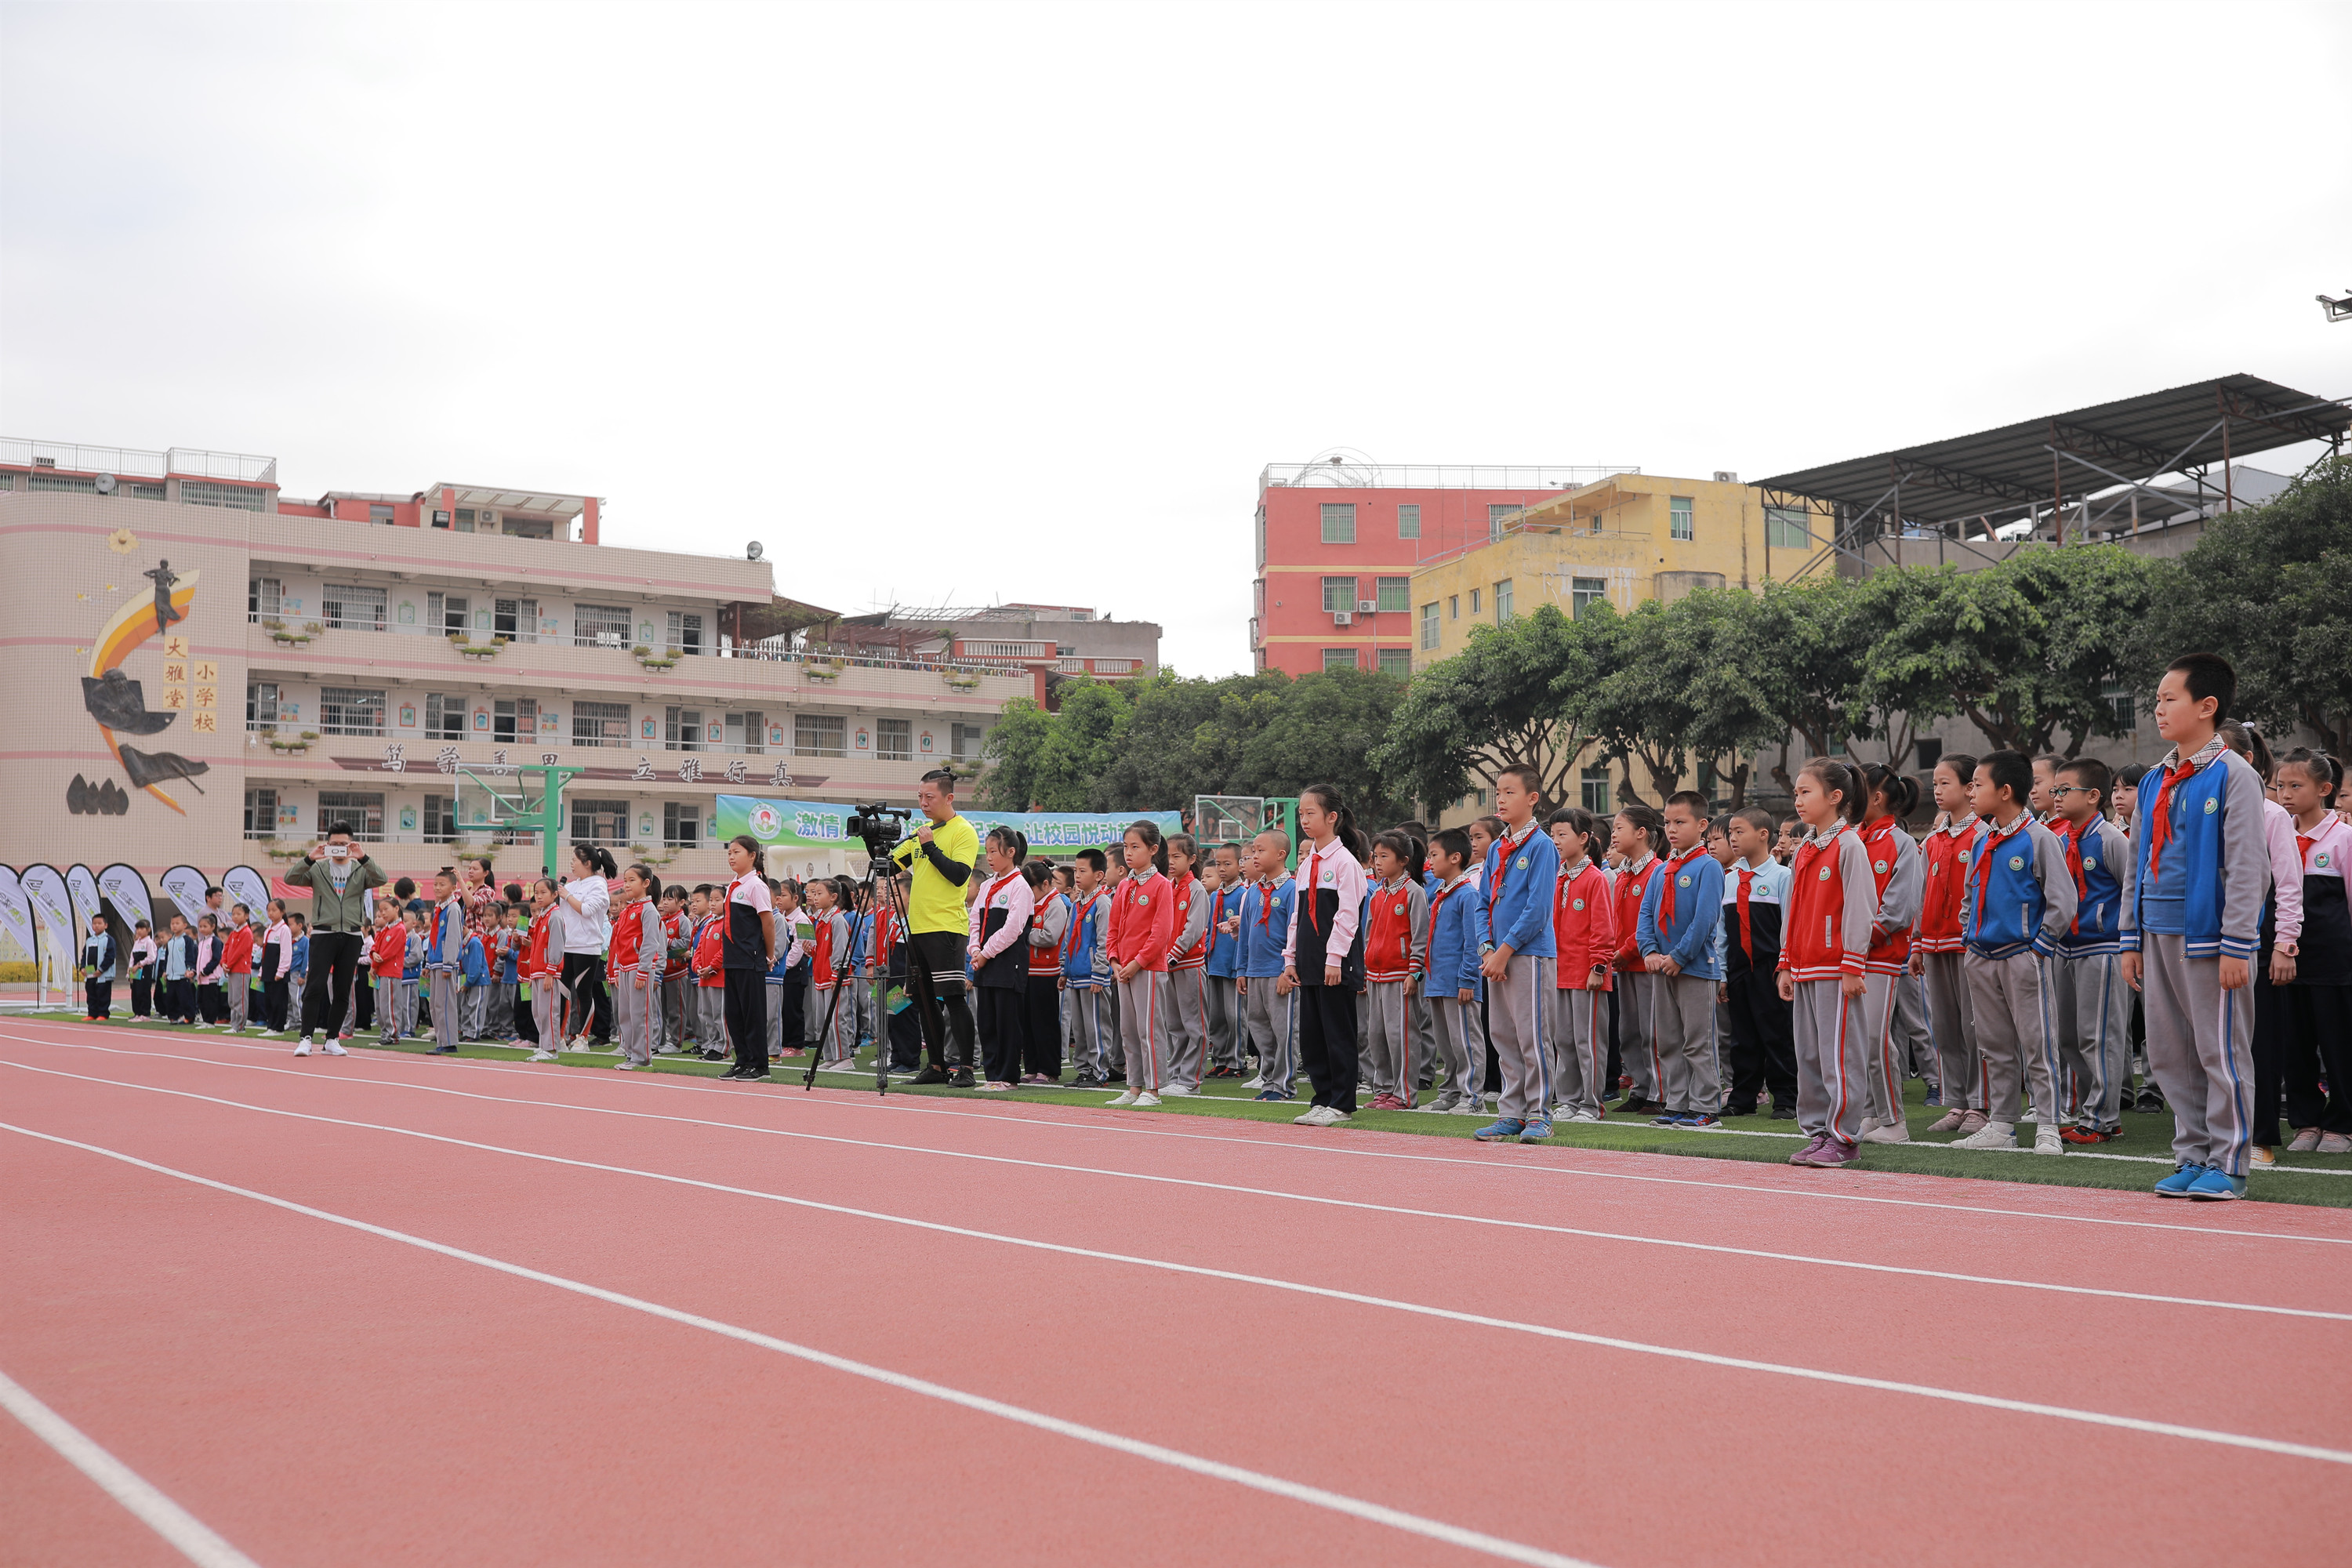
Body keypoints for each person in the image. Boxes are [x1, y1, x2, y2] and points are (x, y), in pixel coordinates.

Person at [2124, 655, 2269, 1200]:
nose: (2158, 709)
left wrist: (2239, 942)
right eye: (2157, 700)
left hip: (2210, 938)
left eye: (2169, 699)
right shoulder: (2156, 780)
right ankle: (2191, 1155)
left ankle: (2229, 1162)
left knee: (2220, 1050)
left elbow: (2249, 866)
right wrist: (2130, 939)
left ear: (2206, 707)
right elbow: (2136, 864)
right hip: (2156, 930)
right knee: (2167, 1052)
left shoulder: (2233, 775)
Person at [1954, 752, 2076, 1155]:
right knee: (1994, 1046)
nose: (1971, 792)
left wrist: (2038, 949)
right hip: (1981, 957)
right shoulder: (1981, 838)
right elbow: (1972, 894)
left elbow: (2063, 901)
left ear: (2005, 791)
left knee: (2038, 1041)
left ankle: (2048, 1124)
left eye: (1978, 784)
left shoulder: (2040, 838)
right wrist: (1969, 937)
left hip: (2022, 956)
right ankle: (2002, 1124)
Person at [1777, 760, 1875, 1168]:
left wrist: (1853, 965)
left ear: (1835, 797)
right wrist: (1785, 962)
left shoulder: (1849, 845)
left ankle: (1845, 1136)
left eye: (1806, 792)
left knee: (1840, 1055)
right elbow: (1794, 911)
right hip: (1804, 969)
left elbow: (1860, 908)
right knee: (1811, 1056)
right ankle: (1818, 1131)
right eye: (1797, 792)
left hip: (1836, 969)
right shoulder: (1806, 850)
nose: (1798, 800)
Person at [2049, 757, 2135, 1145]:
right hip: (2064, 949)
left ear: (2093, 796)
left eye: (2065, 790)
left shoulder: (2110, 839)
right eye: (2055, 790)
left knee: (2098, 1035)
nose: (2056, 796)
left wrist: (2130, 943)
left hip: (2102, 948)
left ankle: (2102, 1118)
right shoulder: (2060, 838)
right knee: (2067, 1036)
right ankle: (2092, 1112)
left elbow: (2132, 892)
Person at [1473, 765, 1559, 1142]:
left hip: (1529, 955)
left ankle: (1540, 1113)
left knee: (1533, 1037)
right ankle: (1512, 1112)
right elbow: (1482, 905)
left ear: (1532, 798)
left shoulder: (1541, 846)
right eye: (1498, 792)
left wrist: (1504, 951)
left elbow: (1538, 910)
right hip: (1497, 957)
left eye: (1510, 792)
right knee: (1503, 1036)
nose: (1501, 799)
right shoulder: (1496, 847)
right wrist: (1487, 948)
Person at [2273, 748, 2350, 1154]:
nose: (2285, 793)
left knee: (2338, 1045)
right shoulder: (2276, 832)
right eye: (2281, 785)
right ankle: (2306, 1122)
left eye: (2295, 786)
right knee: (2295, 1045)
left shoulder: (2343, 839)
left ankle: (2342, 1123)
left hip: (2334, 962)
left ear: (2324, 789)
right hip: (2286, 960)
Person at [1638, 789, 1729, 1128]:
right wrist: (1648, 951)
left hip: (1694, 967)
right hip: (1662, 967)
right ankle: (1677, 1103)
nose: (1671, 829)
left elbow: (1705, 920)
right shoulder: (1662, 870)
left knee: (1698, 1041)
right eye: (1667, 822)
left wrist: (1678, 956)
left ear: (1702, 824)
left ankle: (1706, 1107)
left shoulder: (1708, 867)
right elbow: (1646, 915)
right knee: (1670, 1041)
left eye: (1680, 822)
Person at [890, 768, 983, 1087]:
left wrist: (929, 847)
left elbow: (959, 875)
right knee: (923, 1000)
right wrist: (872, 837)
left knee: (953, 997)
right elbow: (888, 864)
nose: (923, 803)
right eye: (920, 797)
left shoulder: (963, 831)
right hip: (915, 929)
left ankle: (967, 1069)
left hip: (946, 927)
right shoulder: (922, 832)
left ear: (949, 797)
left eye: (929, 797)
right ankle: (937, 1066)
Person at [1853, 767, 1925, 1145]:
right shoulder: (1854, 839)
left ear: (1876, 798)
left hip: (1879, 956)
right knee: (1859, 1040)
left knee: (1876, 1038)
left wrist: (1856, 941)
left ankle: (1895, 1121)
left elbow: (1899, 910)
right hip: (1853, 957)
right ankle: (1870, 1113)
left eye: (1857, 791)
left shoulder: (1900, 843)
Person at [1915, 755, 1983, 1135]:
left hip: (1969, 946)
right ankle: (1957, 1102)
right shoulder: (1934, 841)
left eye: (1945, 783)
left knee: (1975, 1028)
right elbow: (1922, 896)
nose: (1937, 791)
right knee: (1945, 1027)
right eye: (1935, 784)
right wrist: (1917, 945)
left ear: (1969, 788)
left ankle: (1980, 1105)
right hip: (1935, 946)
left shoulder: (1981, 835)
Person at [1718, 806, 1796, 1119]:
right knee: (1742, 1037)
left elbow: (1789, 926)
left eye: (1739, 832)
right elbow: (1721, 931)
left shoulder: (1782, 876)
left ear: (1763, 835)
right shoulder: (1730, 880)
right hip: (1739, 970)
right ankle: (1743, 1097)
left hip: (1770, 969)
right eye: (1730, 833)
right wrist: (1723, 973)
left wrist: (1784, 968)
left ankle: (1787, 1098)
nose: (1732, 838)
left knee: (1777, 1033)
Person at [281, 823, 386, 1051]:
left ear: (351, 844)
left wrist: (363, 857)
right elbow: (289, 878)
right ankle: (305, 1039)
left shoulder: (360, 869)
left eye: (344, 844)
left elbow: (381, 879)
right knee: (315, 987)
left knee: (342, 989)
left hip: (351, 934)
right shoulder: (318, 869)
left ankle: (332, 1039)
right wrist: (310, 858)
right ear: (328, 844)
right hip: (322, 933)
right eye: (335, 844)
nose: (339, 848)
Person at [1544, 808, 1613, 1123]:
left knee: (1589, 1042)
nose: (1556, 841)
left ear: (1584, 839)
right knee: (1564, 1041)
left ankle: (1591, 1103)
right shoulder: (1555, 877)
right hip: (1558, 972)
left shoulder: (1595, 879)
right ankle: (1569, 1100)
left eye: (1563, 835)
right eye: (1553, 834)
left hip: (1587, 975)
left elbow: (1603, 928)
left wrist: (1598, 967)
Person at [1108, 821, 1177, 1107]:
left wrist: (1137, 962)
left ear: (1153, 850)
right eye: (1126, 847)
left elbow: (1161, 933)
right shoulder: (1125, 885)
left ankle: (1154, 1089)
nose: (1129, 853)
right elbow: (1113, 929)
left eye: (1135, 847)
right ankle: (1134, 1086)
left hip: (1147, 968)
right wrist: (1114, 961)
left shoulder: (1161, 885)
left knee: (1150, 1029)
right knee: (1128, 1029)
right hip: (1123, 969)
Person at [1361, 829, 1430, 1112]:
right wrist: (1365, 968)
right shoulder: (1378, 893)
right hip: (1375, 975)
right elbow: (1368, 933)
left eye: (1384, 856)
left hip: (1400, 976)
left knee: (1400, 1035)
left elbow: (1420, 936)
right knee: (1376, 1035)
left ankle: (1405, 1093)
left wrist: (1413, 972)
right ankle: (1384, 1089)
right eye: (1375, 856)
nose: (1377, 862)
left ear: (1403, 861)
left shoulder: (1414, 892)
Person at [1609, 804, 1667, 1116]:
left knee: (1652, 1031)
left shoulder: (1656, 870)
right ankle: (1639, 1089)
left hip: (1645, 962)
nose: (1614, 834)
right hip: (1624, 964)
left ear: (1641, 833)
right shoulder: (1623, 875)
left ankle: (1659, 1092)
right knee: (1629, 1031)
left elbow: (1652, 922)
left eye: (1619, 828)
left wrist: (1627, 950)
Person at [968, 826, 1036, 1091]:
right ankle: (992, 1075)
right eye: (987, 852)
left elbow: (1013, 928)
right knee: (987, 1022)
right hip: (984, 963)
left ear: (1011, 852)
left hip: (1008, 964)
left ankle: (1008, 1076)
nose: (990, 857)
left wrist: (985, 953)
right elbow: (975, 920)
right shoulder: (986, 886)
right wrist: (975, 949)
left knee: (1007, 1022)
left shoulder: (1020, 887)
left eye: (994, 851)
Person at [717, 835, 779, 1081]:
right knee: (734, 1014)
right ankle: (742, 1060)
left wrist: (769, 955)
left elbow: (768, 923)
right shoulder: (734, 885)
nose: (731, 857)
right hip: (732, 959)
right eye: (729, 852)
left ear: (752, 856)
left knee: (753, 1014)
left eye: (736, 852)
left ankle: (759, 1064)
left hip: (750, 958)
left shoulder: (756, 886)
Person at [1157, 833, 1211, 1097]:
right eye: (1168, 855)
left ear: (1191, 859)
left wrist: (1172, 953)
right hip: (1169, 964)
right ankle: (1177, 1074)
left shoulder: (1196, 889)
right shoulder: (1168, 886)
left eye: (1177, 856)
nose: (1171, 861)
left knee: (1194, 1025)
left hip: (1189, 963)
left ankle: (1191, 1080)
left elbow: (1194, 928)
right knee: (1175, 1025)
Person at [1060, 849, 1117, 1089]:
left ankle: (1100, 1071)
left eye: (1083, 871)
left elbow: (1105, 940)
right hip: (1075, 975)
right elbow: (1068, 938)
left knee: (1096, 1026)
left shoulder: (1102, 902)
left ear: (1099, 875)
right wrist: (1064, 969)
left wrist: (1100, 971)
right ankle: (1083, 1070)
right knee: (1080, 1029)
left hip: (1094, 976)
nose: (1077, 876)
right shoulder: (1077, 904)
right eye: (1076, 870)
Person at [559, 844, 617, 1051]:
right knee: (562, 992)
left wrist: (566, 896)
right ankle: (560, 1037)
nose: (571, 864)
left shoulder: (598, 884)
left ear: (588, 863)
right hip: (567, 944)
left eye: (575, 860)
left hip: (587, 946)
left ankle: (583, 1038)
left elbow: (586, 910)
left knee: (584, 993)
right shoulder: (572, 885)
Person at [609, 863, 665, 1069]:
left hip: (639, 969)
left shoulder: (648, 910)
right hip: (624, 968)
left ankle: (642, 1057)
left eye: (632, 880)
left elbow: (651, 943)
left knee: (640, 1013)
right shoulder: (628, 910)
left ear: (646, 883)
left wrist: (643, 971)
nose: (627, 884)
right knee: (625, 1014)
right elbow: (619, 943)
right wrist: (616, 968)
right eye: (625, 880)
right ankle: (630, 1054)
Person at [1021, 860, 1068, 1085]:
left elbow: (1050, 936)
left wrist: (1022, 933)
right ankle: (1032, 1067)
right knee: (1028, 1023)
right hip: (1028, 971)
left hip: (1046, 973)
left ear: (1046, 884)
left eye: (1031, 888)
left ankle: (1048, 1069)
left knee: (1044, 1023)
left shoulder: (1055, 904)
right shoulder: (1033, 903)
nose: (1028, 894)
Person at [419, 867, 466, 1058]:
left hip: (446, 965)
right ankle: (441, 1040)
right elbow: (434, 938)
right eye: (435, 884)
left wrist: (449, 963)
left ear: (454, 887)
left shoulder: (453, 908)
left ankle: (449, 1042)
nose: (437, 888)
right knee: (436, 1004)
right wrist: (429, 963)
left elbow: (454, 937)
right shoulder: (439, 908)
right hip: (436, 962)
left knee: (446, 1003)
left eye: (442, 884)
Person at [520, 879, 565, 1063]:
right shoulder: (543, 917)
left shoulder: (555, 916)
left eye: (543, 892)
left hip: (548, 973)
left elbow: (556, 947)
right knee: (538, 1011)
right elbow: (537, 947)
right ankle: (544, 1045)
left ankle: (551, 1048)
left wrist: (550, 972)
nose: (538, 896)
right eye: (536, 892)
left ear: (554, 895)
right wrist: (532, 973)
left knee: (548, 1011)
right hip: (537, 971)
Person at [371, 898, 408, 1047]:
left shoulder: (399, 929)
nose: (383, 913)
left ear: (397, 908)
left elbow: (388, 952)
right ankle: (385, 1034)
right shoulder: (386, 929)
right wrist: (373, 955)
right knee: (381, 1006)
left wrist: (376, 961)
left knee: (390, 1005)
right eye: (381, 910)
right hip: (381, 971)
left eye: (386, 909)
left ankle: (392, 1035)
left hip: (390, 972)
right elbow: (376, 946)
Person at [220, 904, 256, 1035]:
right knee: (232, 999)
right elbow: (227, 948)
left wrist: (228, 964)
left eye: (238, 914)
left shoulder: (246, 932)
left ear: (246, 916)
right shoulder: (234, 932)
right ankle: (234, 1024)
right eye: (233, 914)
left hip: (240, 969)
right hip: (232, 968)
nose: (235, 916)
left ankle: (239, 1026)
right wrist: (223, 962)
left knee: (239, 999)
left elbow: (239, 952)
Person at [159, 912, 197, 1025]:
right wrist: (165, 971)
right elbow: (167, 958)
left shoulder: (187, 940)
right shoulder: (170, 942)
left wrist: (190, 970)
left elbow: (190, 956)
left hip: (182, 975)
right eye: (172, 924)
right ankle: (173, 1017)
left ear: (184, 925)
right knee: (171, 998)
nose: (174, 926)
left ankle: (189, 1017)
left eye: (177, 923)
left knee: (185, 998)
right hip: (171, 976)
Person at [79, 913, 117, 1020]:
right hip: (90, 974)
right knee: (91, 995)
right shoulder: (89, 940)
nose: (96, 926)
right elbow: (84, 955)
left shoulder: (109, 940)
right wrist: (82, 967)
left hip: (103, 975)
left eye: (99, 923)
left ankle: (103, 1014)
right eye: (94, 923)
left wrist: (101, 970)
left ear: (106, 925)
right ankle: (92, 1014)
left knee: (103, 994)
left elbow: (110, 957)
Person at [127, 920, 156, 1019]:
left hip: (144, 970)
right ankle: (137, 1013)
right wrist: (130, 969)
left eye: (142, 928)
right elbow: (132, 957)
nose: (139, 931)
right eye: (137, 928)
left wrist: (139, 964)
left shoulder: (149, 942)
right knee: (135, 991)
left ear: (148, 930)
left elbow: (151, 957)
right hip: (135, 970)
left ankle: (145, 1013)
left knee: (143, 991)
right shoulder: (137, 942)